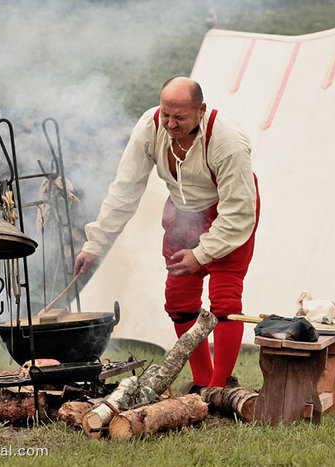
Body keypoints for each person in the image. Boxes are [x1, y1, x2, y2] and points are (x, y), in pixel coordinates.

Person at [74, 76, 260, 389]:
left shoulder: (228, 143)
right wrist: (96, 243)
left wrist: (202, 253)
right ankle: (201, 382)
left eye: (180, 117)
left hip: (228, 215)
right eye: (166, 114)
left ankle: (220, 386)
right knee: (178, 298)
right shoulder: (150, 127)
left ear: (200, 111)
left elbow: (239, 212)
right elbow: (125, 190)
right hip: (183, 213)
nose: (170, 124)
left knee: (224, 299)